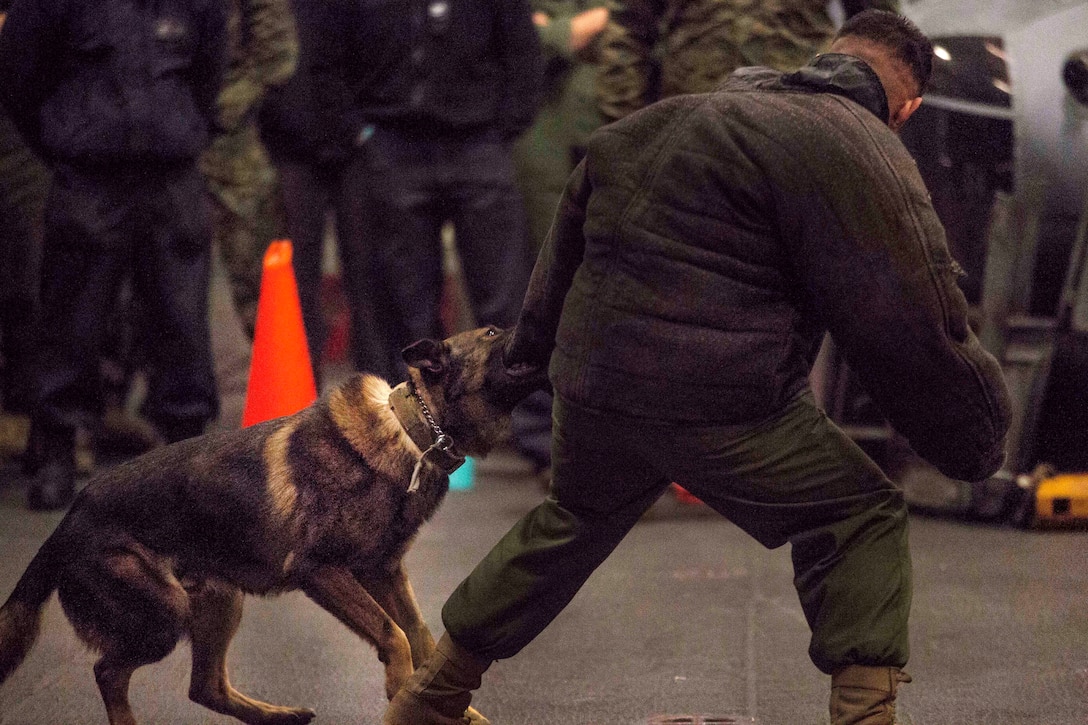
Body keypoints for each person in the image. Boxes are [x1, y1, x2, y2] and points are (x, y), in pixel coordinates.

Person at [382, 10, 1012, 725]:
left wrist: (522, 366)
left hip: (597, 386)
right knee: (858, 511)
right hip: (723, 398)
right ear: (907, 108)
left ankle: (430, 696)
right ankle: (866, 717)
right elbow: (912, 314)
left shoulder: (657, 122)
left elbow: (558, 261)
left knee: (573, 517)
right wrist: (976, 440)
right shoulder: (857, 139)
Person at [0, 0, 228, 509]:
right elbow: (19, 75)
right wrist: (71, 137)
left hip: (172, 178)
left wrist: (178, 127)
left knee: (181, 322)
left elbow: (210, 71)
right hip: (88, 178)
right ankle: (56, 452)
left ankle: (189, 457)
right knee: (69, 324)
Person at [303, 0, 544, 382]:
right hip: (392, 146)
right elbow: (323, 63)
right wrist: (360, 136)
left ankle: (528, 429)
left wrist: (504, 127)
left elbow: (524, 49)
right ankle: (423, 429)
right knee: (408, 312)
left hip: (478, 142)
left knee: (506, 304)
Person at [510, 0, 610, 474]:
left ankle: (609, 431)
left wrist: (567, 30)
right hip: (542, 141)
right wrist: (599, 21)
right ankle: (545, 437)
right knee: (546, 287)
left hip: (610, 130)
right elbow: (530, 39)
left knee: (614, 286)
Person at [596, 0, 900, 123]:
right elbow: (627, 29)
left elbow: (877, 31)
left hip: (802, 126)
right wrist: (626, 131)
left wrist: (865, 127)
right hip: (691, 127)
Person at [201, 0, 298, 339]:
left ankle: (277, 388)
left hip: (232, 142)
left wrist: (224, 104)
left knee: (262, 290)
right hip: (141, 144)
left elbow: (279, 54)